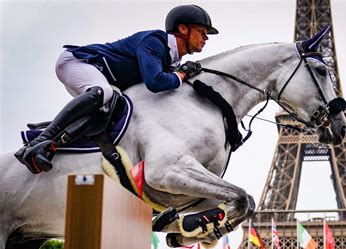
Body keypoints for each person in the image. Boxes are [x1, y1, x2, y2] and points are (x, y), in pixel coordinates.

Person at [15, 4, 218, 174]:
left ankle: (53, 145)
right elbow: (155, 82)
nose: (206, 38)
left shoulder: (170, 59)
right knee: (106, 93)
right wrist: (182, 74)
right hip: (78, 62)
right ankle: (39, 142)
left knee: (108, 111)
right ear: (183, 29)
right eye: (202, 32)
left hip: (98, 77)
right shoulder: (155, 41)